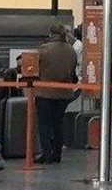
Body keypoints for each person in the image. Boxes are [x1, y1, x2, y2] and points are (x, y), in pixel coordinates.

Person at [32, 25, 79, 164]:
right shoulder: (71, 50)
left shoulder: (44, 49)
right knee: (58, 123)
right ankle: (57, 153)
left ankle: (46, 153)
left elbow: (33, 67)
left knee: (44, 124)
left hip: (44, 92)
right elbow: (73, 71)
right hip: (64, 93)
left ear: (51, 33)